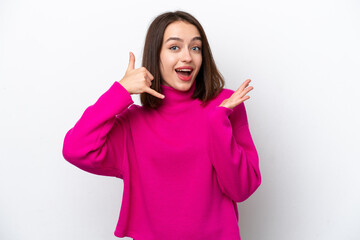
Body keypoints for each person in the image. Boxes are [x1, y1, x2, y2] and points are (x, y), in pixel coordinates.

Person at [62, 10, 261, 240]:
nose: (187, 57)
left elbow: (241, 188)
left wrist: (218, 122)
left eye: (195, 48)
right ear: (155, 55)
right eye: (174, 47)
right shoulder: (132, 123)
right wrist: (120, 91)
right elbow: (75, 149)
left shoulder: (226, 105)